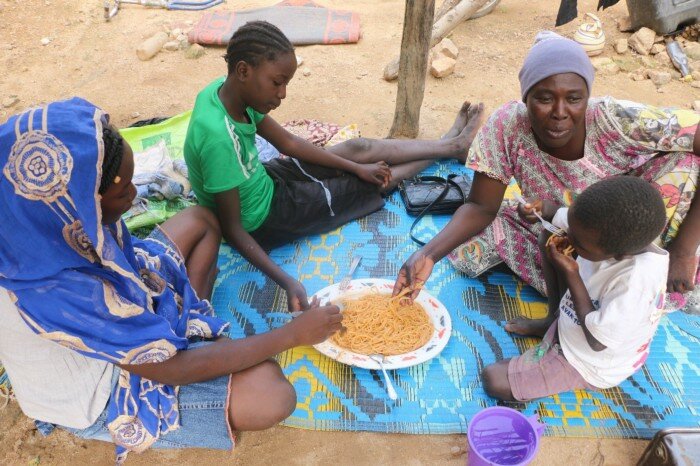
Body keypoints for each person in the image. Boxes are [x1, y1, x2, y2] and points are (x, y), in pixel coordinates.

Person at [0, 98, 343, 460]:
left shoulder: (41, 219)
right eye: (122, 192)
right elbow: (171, 370)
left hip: (128, 313)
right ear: (83, 202)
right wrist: (293, 334)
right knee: (272, 393)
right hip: (102, 387)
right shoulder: (53, 290)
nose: (133, 198)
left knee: (201, 220)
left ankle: (184, 333)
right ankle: (189, 346)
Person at [393, 31, 700, 332]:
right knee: (491, 232)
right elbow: (480, 206)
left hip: (631, 230)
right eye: (544, 98)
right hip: (569, 226)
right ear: (526, 97)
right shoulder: (507, 127)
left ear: (587, 98)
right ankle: (582, 298)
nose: (559, 113)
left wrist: (685, 250)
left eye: (574, 99)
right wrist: (427, 254)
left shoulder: (615, 119)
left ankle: (642, 278)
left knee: (685, 165)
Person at [184, 20, 484, 313]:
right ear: (243, 71)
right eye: (277, 82)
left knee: (359, 149)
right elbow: (234, 229)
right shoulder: (218, 139)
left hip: (264, 180)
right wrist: (286, 281)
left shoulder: (227, 93)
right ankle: (449, 144)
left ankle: (450, 147)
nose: (283, 93)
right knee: (372, 184)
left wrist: (353, 166)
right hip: (265, 219)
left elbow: (288, 143)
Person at [481, 176, 669, 401]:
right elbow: (559, 217)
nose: (569, 236)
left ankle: (559, 351)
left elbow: (597, 342)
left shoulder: (636, 282)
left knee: (494, 380)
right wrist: (542, 208)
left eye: (579, 242)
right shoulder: (605, 232)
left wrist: (573, 275)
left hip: (590, 360)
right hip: (579, 321)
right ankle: (553, 322)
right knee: (551, 235)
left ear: (617, 255)